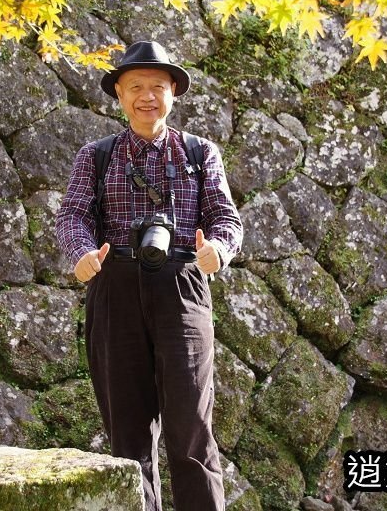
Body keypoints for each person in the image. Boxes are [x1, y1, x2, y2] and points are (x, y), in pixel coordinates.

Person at [56, 41, 243, 511]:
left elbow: (226, 218)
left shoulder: (200, 153)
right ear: (118, 93)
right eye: (135, 87)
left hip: (183, 284)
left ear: (173, 93)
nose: (146, 96)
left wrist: (217, 250)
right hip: (114, 285)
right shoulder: (95, 156)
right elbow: (72, 216)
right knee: (128, 434)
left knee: (191, 429)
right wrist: (80, 253)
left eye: (157, 87)